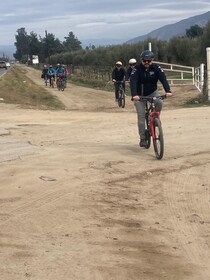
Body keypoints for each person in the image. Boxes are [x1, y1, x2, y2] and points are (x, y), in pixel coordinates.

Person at [130, 50, 172, 147]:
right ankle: (143, 138)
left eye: (149, 61)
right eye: (145, 61)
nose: (147, 63)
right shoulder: (137, 69)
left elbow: (163, 78)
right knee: (141, 118)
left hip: (152, 92)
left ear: (152, 60)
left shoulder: (156, 68)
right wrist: (134, 94)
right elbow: (133, 81)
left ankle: (155, 117)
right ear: (141, 60)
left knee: (160, 102)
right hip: (139, 95)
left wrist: (168, 91)